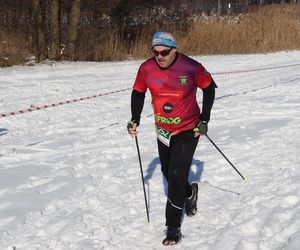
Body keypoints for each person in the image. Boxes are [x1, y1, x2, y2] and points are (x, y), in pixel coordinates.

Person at [127, 31, 216, 246]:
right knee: (168, 172)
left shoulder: (191, 67)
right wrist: (135, 119)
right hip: (163, 130)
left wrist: (204, 119)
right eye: (156, 52)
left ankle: (173, 227)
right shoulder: (146, 68)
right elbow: (138, 92)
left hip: (189, 129)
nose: (160, 57)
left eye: (165, 52)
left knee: (176, 174)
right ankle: (189, 192)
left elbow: (209, 88)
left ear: (174, 50)